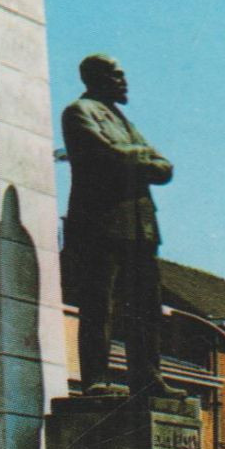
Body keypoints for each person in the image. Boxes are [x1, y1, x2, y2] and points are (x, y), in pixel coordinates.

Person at [61, 54, 183, 398]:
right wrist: (142, 156)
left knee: (145, 307)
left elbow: (166, 167)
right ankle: (96, 378)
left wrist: (135, 154)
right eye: (117, 75)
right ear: (96, 78)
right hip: (100, 223)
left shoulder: (122, 119)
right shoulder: (79, 112)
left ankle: (147, 376)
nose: (124, 81)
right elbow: (107, 155)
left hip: (140, 226)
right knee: (99, 304)